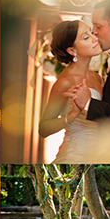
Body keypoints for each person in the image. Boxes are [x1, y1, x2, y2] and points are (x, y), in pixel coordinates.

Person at [41, 20, 104, 162]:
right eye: (86, 37)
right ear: (72, 51)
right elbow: (43, 128)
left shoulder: (97, 77)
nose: (95, 38)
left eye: (91, 33)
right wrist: (72, 115)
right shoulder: (65, 82)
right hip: (73, 156)